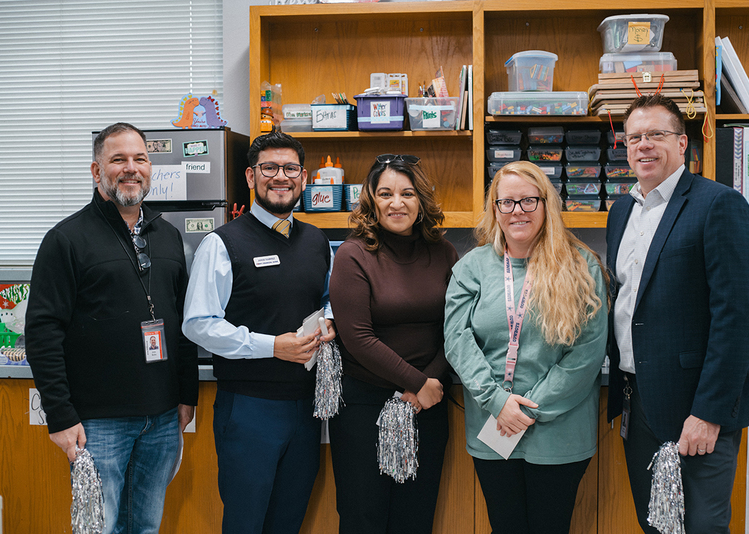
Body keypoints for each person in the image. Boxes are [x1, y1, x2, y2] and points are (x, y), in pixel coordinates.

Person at [25, 122, 198, 533]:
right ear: (96, 170)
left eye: (140, 158)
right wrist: (61, 417)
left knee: (145, 526)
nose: (130, 168)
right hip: (97, 425)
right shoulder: (66, 239)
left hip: (161, 419)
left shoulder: (169, 236)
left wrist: (186, 395)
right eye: (118, 159)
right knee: (99, 528)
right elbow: (42, 332)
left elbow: (182, 323)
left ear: (150, 167)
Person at [605, 93, 749, 533]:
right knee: (655, 523)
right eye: (634, 137)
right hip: (639, 404)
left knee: (700, 527)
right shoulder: (622, 212)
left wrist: (708, 413)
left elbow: (735, 318)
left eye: (656, 134)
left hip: (697, 408)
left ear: (682, 144)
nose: (643, 145)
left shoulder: (718, 204)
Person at [182, 130, 336, 534]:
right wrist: (272, 346)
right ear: (251, 177)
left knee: (288, 521)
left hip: (306, 408)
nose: (280, 177)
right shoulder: (222, 243)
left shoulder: (317, 241)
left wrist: (331, 319)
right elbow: (198, 324)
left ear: (304, 178)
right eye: (269, 168)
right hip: (249, 408)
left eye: (290, 169)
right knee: (246, 523)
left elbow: (328, 298)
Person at [444, 161, 608, 534]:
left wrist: (529, 411)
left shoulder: (581, 265)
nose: (517, 211)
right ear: (495, 209)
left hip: (559, 432)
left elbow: (588, 351)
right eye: (507, 203)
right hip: (494, 427)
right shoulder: (472, 267)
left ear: (546, 204)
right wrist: (499, 402)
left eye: (528, 201)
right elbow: (457, 340)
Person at [328, 154, 459, 534]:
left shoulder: (444, 253)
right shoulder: (353, 254)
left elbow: (456, 329)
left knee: (415, 519)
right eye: (385, 193)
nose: (396, 203)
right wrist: (418, 383)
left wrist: (428, 386)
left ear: (421, 201)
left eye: (407, 193)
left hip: (428, 408)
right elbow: (358, 338)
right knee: (362, 518)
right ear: (372, 199)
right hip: (365, 408)